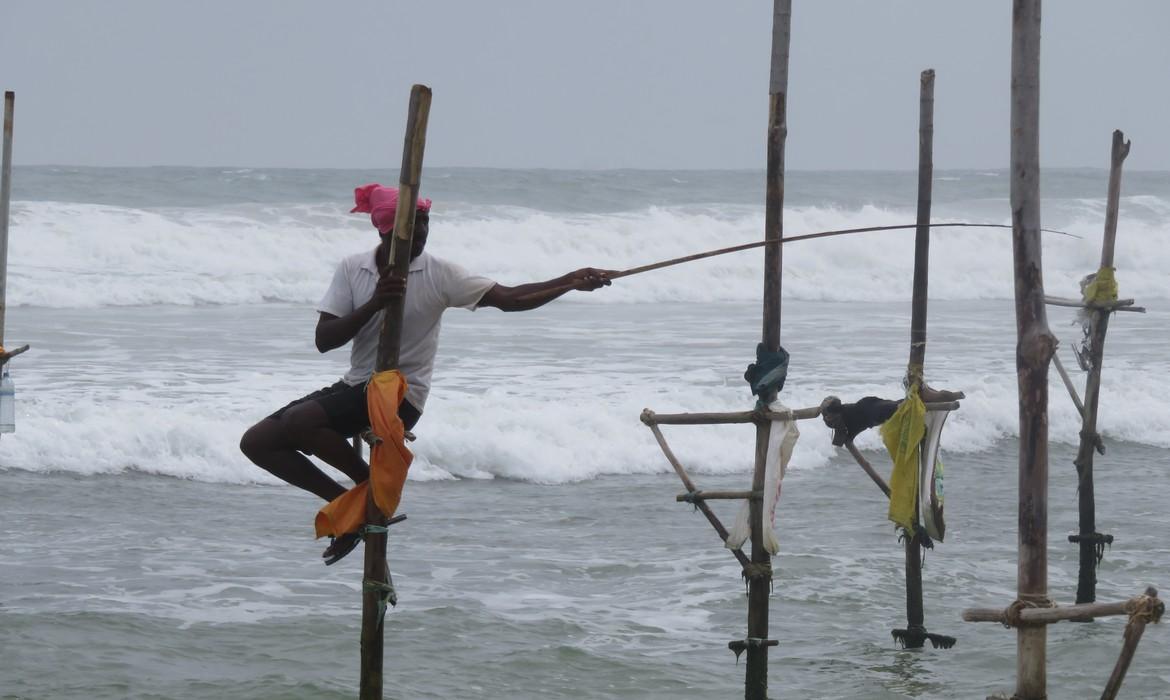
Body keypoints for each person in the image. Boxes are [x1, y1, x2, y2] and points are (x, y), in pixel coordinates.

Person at [240, 184, 612, 564]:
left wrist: (569, 281)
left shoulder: (439, 273)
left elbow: (511, 300)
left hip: (401, 396)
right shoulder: (354, 269)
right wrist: (375, 304)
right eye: (411, 224)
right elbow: (324, 340)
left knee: (302, 420)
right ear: (385, 229)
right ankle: (350, 506)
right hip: (357, 386)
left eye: (425, 222)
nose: (420, 232)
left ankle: (373, 487)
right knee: (257, 441)